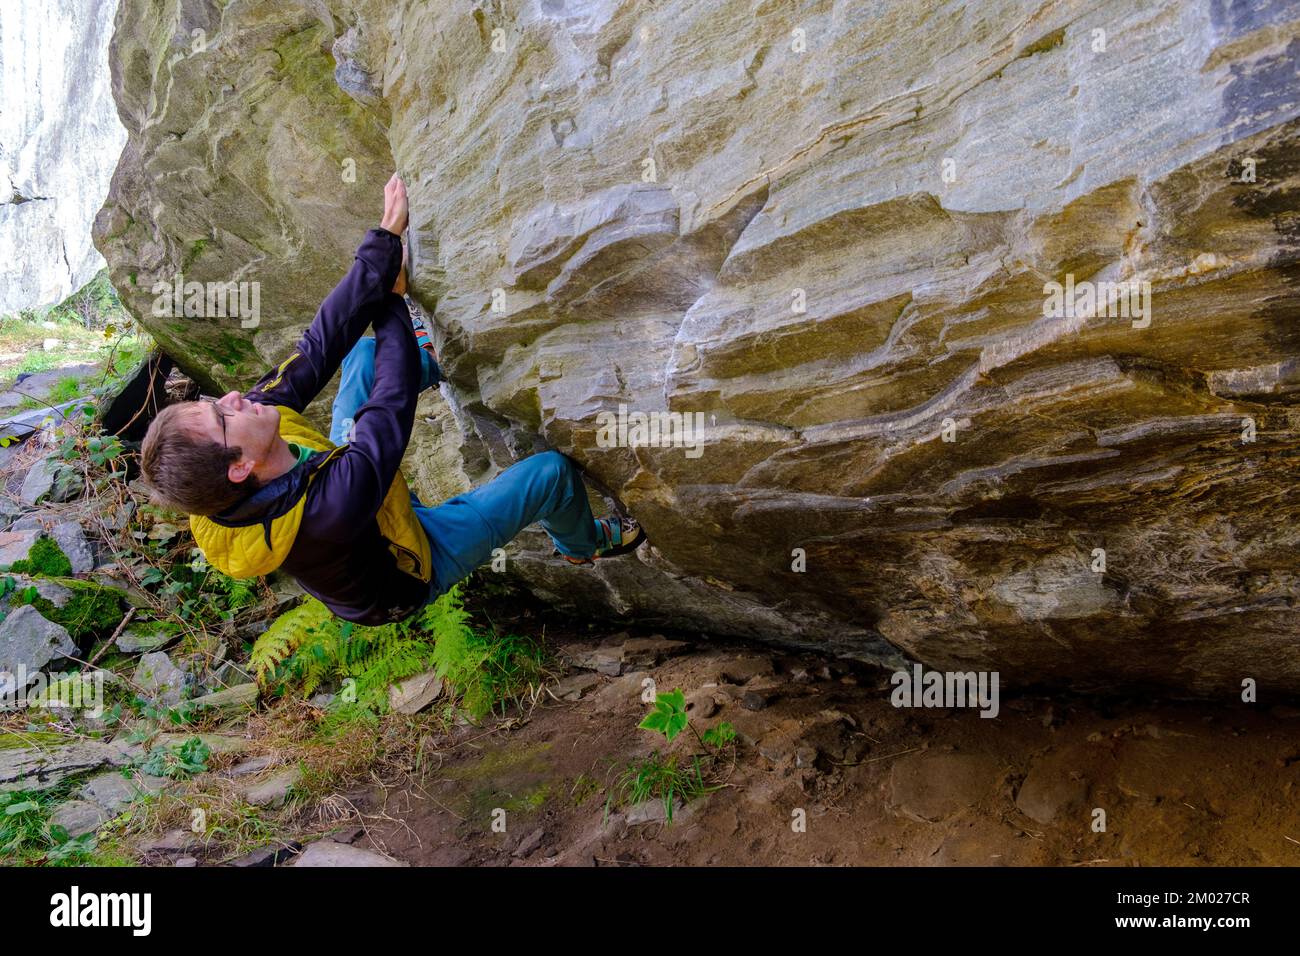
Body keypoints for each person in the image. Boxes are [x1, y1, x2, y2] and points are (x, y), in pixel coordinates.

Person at [139, 174, 645, 627]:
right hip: (416, 558)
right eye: (221, 415)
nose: (233, 398)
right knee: (551, 474)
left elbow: (318, 348)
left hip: (355, 483)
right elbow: (390, 407)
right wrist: (396, 301)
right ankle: (583, 544)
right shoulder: (328, 510)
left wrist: (381, 249)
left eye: (215, 401)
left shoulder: (225, 468)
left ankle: (441, 360)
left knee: (360, 352)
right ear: (239, 467)